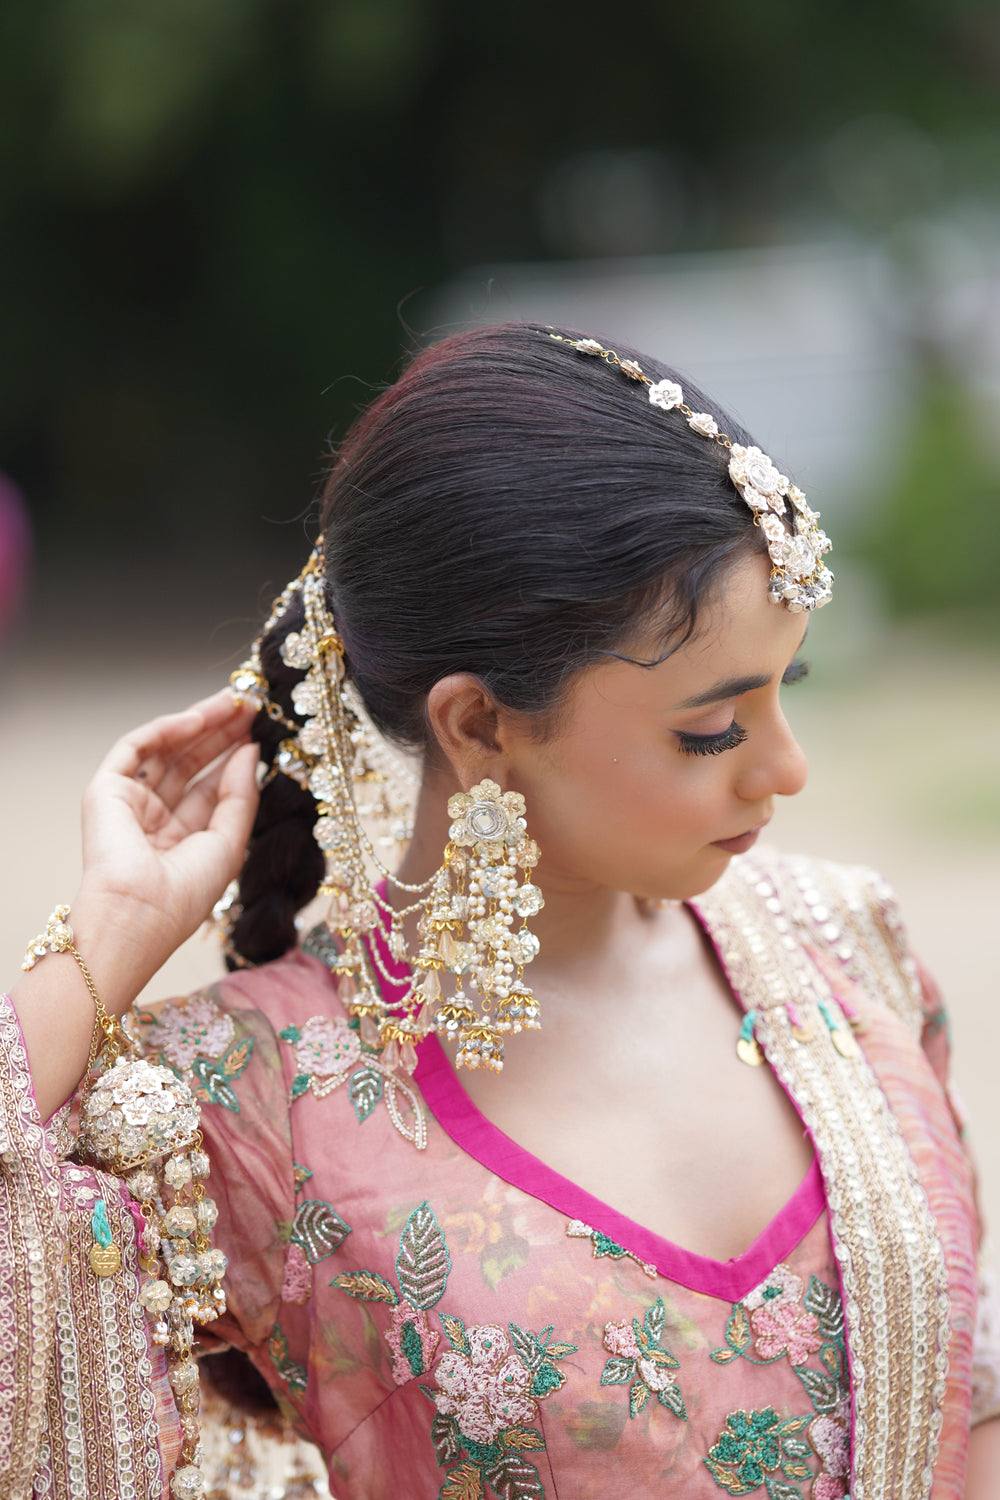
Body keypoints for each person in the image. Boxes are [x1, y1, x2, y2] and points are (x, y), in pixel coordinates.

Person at [3, 323, 998, 1500]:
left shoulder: (845, 948)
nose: (785, 768)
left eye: (790, 689)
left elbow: (967, 1398)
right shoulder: (246, 1094)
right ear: (478, 726)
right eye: (712, 728)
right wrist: (111, 936)